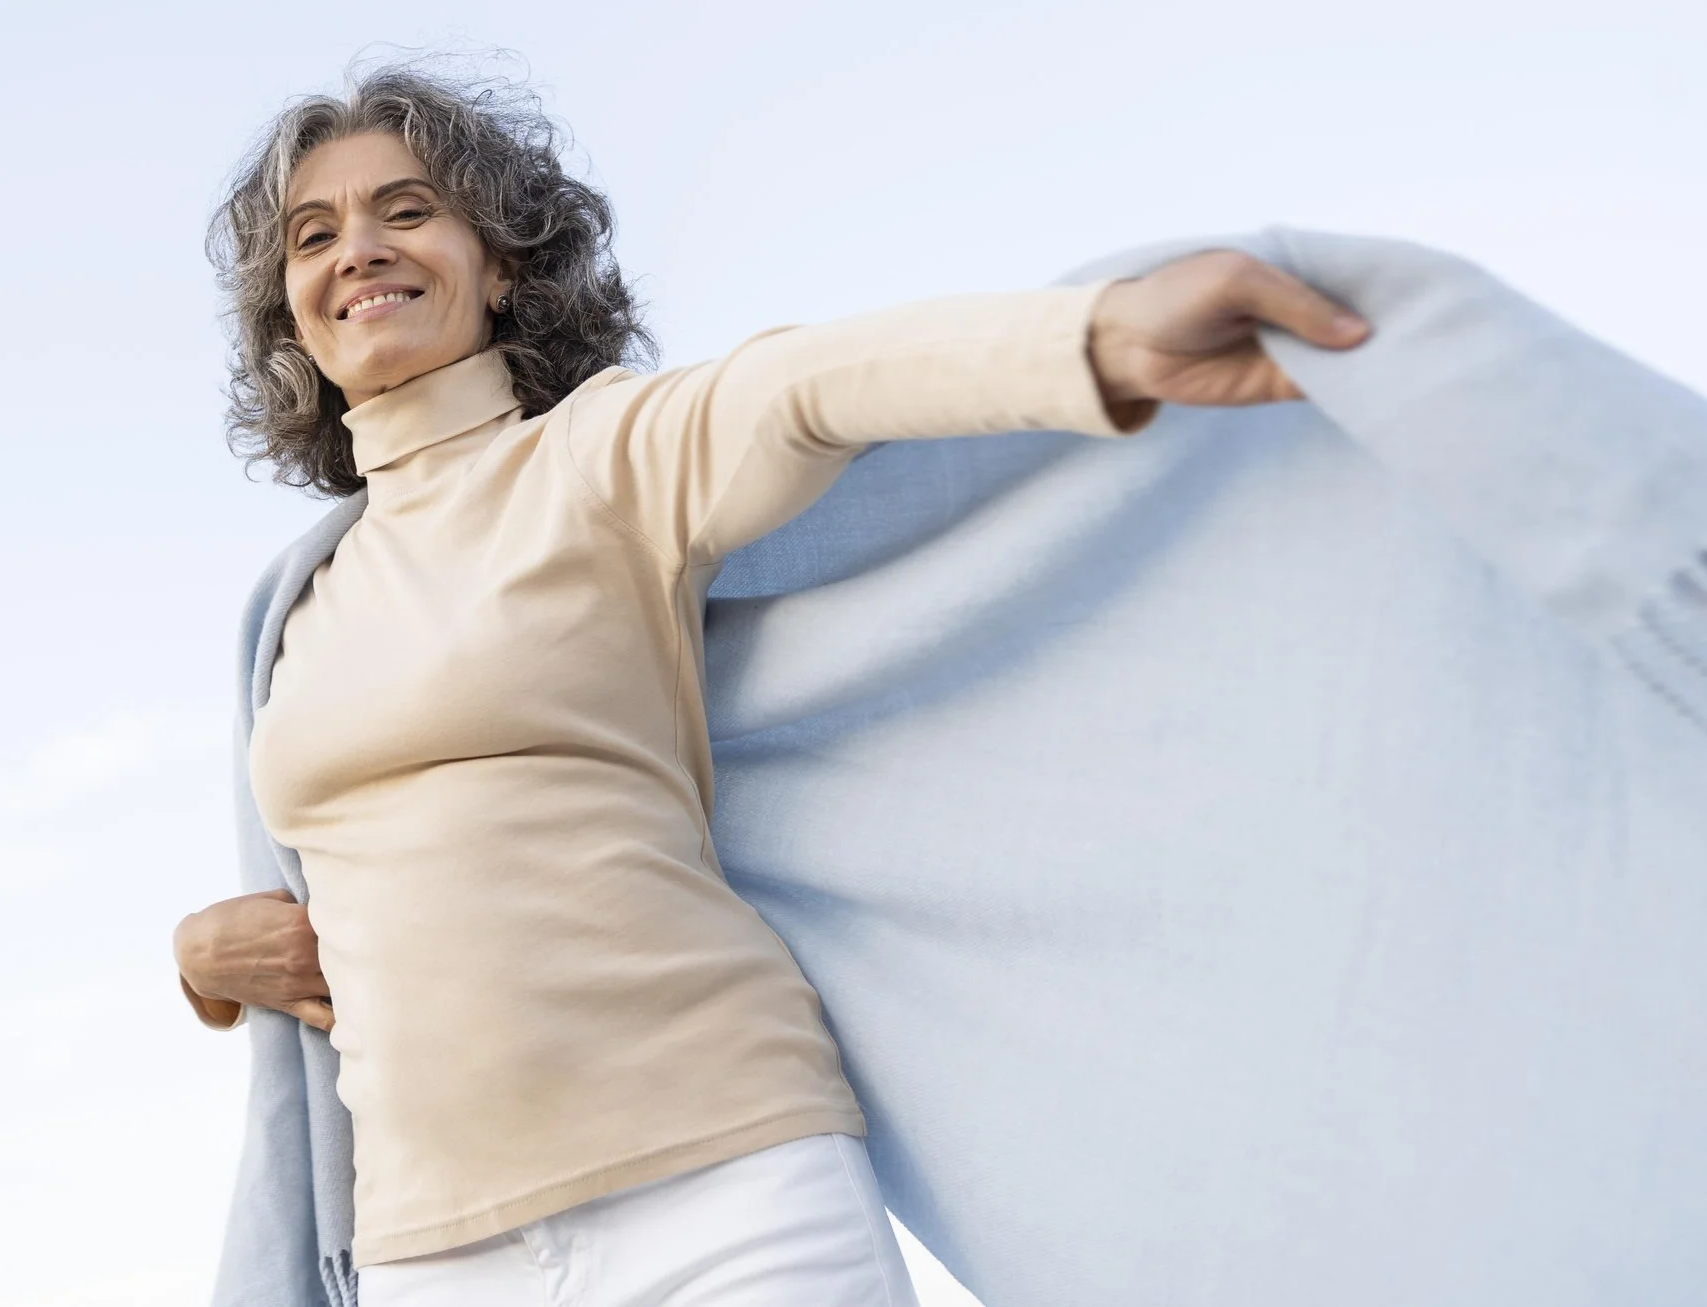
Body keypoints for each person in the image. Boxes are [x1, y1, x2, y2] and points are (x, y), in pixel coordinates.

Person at [173, 64, 1368, 1306]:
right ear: (294, 319)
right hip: (435, 1250)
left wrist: (1102, 334)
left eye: (407, 210)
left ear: (502, 263)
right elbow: (327, 886)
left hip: (725, 1192)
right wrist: (202, 959)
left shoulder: (603, 456)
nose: (358, 248)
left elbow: (808, 386)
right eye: (316, 236)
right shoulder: (294, 604)